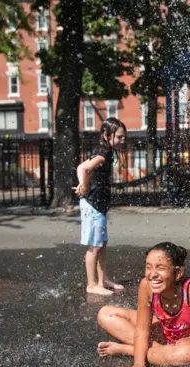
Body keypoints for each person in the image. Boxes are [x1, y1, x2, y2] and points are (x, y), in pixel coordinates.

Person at [97, 242, 190, 367]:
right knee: (105, 314)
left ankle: (129, 349)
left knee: (186, 356)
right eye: (148, 267)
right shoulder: (146, 285)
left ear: (178, 273)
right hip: (166, 333)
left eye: (161, 268)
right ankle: (156, 353)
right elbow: (142, 329)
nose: (152, 274)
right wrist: (138, 364)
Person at [75, 117, 126, 296]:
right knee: (94, 246)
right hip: (93, 204)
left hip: (99, 205)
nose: (122, 140)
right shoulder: (104, 153)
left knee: (102, 244)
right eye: (119, 137)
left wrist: (83, 184)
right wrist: (84, 185)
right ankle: (91, 285)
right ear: (106, 135)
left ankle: (102, 280)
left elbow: (82, 166)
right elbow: (84, 168)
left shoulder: (106, 151)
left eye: (123, 137)